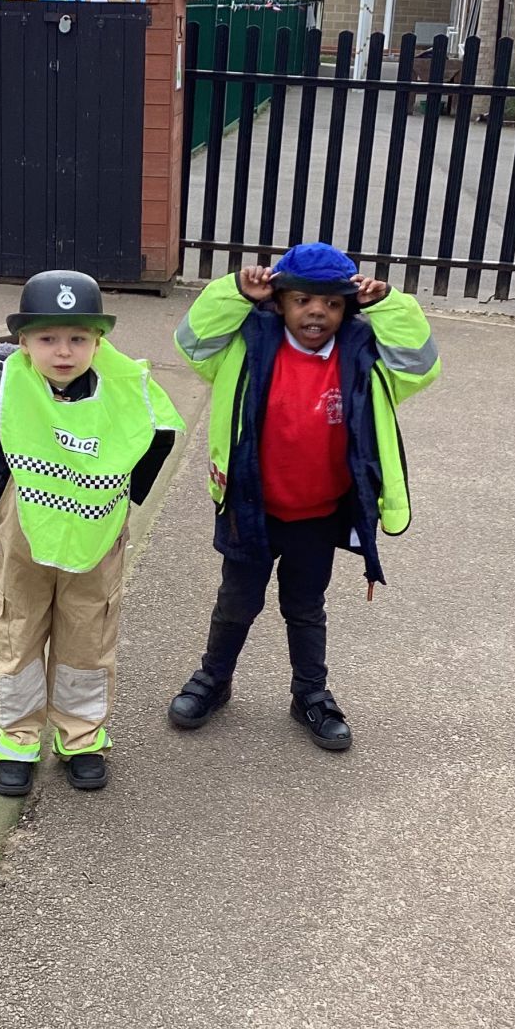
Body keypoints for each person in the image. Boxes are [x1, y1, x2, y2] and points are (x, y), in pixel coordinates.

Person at [167, 242, 440, 750]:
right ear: (279, 302)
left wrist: (388, 306)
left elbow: (420, 365)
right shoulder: (245, 346)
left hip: (318, 514)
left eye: (332, 304)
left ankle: (310, 693)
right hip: (252, 508)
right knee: (235, 603)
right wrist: (234, 293)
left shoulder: (364, 357)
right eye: (302, 301)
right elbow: (193, 344)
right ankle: (214, 679)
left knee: (306, 607)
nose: (317, 312)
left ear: (347, 309)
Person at [0, 270, 185, 796]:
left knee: (88, 632)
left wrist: (123, 494)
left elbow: (157, 433)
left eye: (78, 338)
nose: (63, 351)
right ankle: (17, 740)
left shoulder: (124, 388)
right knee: (15, 628)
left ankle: (81, 737)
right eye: (47, 338)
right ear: (23, 341)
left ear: (98, 341)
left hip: (96, 532)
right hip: (21, 532)